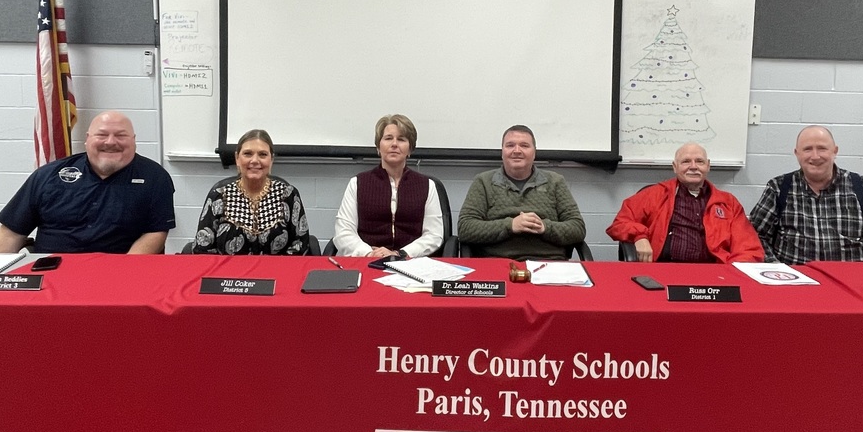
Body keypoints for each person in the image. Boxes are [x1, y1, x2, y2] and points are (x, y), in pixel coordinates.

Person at [0, 111, 175, 254]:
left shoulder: (154, 178)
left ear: (134, 141)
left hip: (117, 274)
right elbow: (10, 233)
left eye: (121, 135)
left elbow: (155, 233)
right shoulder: (48, 175)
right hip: (50, 274)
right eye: (101, 135)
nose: (110, 142)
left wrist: (124, 272)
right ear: (87, 139)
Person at [749, 125, 863, 264]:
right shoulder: (778, 188)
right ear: (797, 154)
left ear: (835, 151)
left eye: (822, 148)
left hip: (850, 285)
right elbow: (754, 238)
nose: (815, 156)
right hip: (793, 284)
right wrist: (777, 272)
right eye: (807, 149)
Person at [606, 142, 763, 263]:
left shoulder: (728, 203)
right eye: (686, 161)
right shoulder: (655, 195)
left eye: (699, 161)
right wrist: (640, 236)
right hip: (664, 270)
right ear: (675, 167)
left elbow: (748, 249)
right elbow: (619, 223)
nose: (693, 167)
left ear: (708, 166)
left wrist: (731, 276)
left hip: (715, 274)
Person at [457, 125, 586, 260]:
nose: (517, 151)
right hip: (497, 262)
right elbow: (465, 228)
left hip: (549, 263)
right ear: (502, 152)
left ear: (534, 152)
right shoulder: (483, 181)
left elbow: (577, 228)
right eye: (510, 145)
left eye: (524, 146)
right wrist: (510, 225)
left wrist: (544, 227)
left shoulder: (555, 181)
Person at [333, 114, 443, 257]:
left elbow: (434, 235)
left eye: (402, 139)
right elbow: (344, 231)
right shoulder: (358, 183)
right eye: (388, 138)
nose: (394, 144)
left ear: (410, 149)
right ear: (379, 146)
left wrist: (400, 254)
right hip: (366, 260)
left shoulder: (427, 185)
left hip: (409, 263)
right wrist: (369, 253)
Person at [192, 129, 311, 255]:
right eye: (248, 154)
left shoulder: (288, 195)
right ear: (237, 158)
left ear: (271, 160)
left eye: (263, 154)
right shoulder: (219, 196)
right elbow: (202, 248)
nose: (254, 160)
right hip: (227, 273)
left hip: (276, 273)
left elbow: (300, 245)